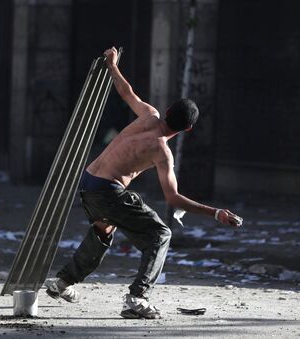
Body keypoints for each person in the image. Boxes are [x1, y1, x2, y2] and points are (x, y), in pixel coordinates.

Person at [45, 46, 242, 319]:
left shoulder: (149, 114)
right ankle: (137, 298)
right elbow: (172, 198)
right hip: (108, 190)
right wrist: (216, 213)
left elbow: (126, 92)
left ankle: (62, 283)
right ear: (187, 130)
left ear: (169, 109)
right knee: (161, 235)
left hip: (88, 181)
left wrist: (113, 65)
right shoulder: (162, 152)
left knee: (103, 231)